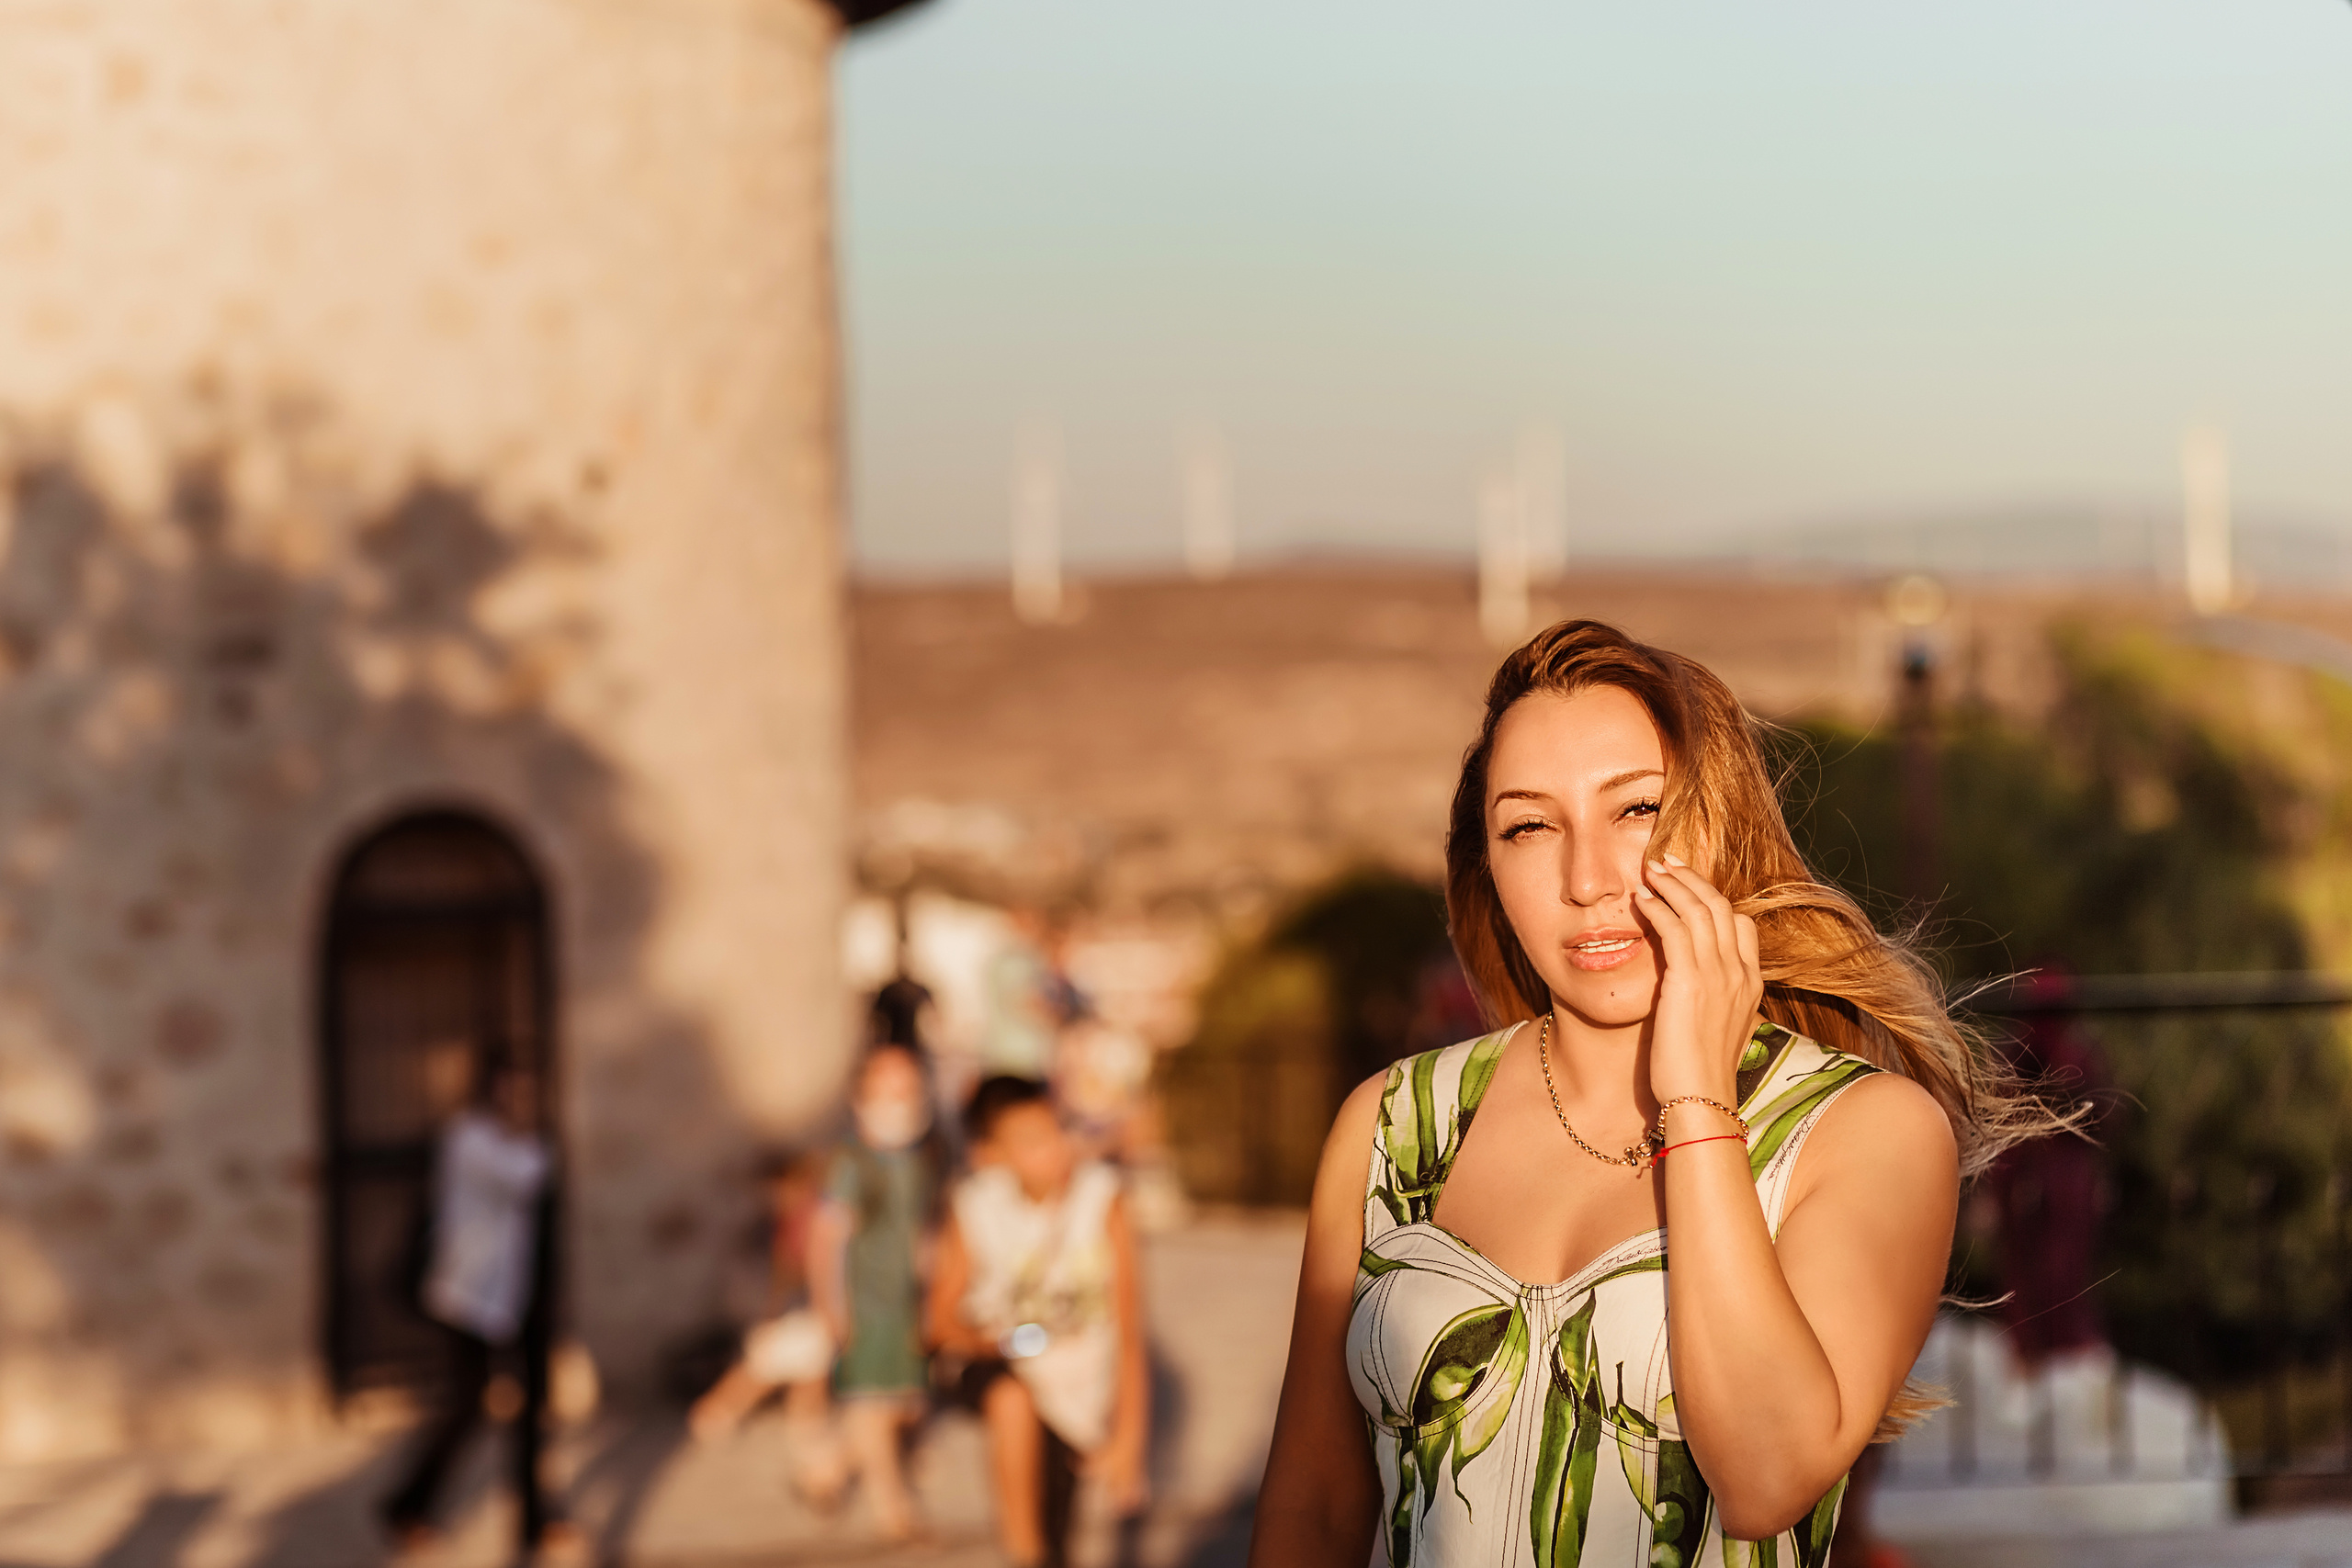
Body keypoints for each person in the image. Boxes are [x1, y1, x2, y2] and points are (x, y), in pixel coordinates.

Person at [1249, 620, 2058, 1567]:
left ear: (1720, 830)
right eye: (1528, 825)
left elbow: (1766, 1478)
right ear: (1487, 866)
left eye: (1635, 811)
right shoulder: (1390, 1126)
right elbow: (1310, 1505)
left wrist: (1694, 1099)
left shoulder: (1862, 1132)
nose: (1588, 879)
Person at [926, 1076, 1149, 1568]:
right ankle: (1022, 1553)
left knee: (1059, 1530)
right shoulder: (973, 1206)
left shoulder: (1104, 1198)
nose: (1052, 1149)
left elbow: (1129, 1328)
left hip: (1077, 1383)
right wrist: (995, 1342)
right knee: (1013, 1401)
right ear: (991, 1155)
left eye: (1055, 1131)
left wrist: (1128, 1441)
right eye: (1030, 1141)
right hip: (998, 1364)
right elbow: (939, 1320)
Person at [382, 1062, 578, 1561]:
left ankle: (534, 1525)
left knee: (532, 1415)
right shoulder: (470, 1140)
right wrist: (529, 1134)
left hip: (521, 1294)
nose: (520, 1102)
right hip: (471, 1297)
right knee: (468, 1407)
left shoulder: (526, 1142)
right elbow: (526, 1175)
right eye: (512, 1091)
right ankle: (407, 1504)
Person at [809, 1043, 944, 1542]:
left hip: (906, 1303)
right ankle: (894, 1508)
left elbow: (923, 1234)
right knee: (874, 1408)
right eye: (888, 1091)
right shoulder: (852, 1162)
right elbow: (825, 1239)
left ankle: (823, 1470)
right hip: (865, 1305)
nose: (901, 1102)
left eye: (909, 1090)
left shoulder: (919, 1160)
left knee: (904, 1404)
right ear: (861, 1096)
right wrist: (831, 1307)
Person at [687, 1149, 849, 1508]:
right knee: (765, 1377)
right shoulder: (781, 1226)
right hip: (792, 1317)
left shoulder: (796, 1220)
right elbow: (801, 1273)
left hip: (796, 1317)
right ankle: (713, 1417)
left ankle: (814, 1466)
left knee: (803, 1387)